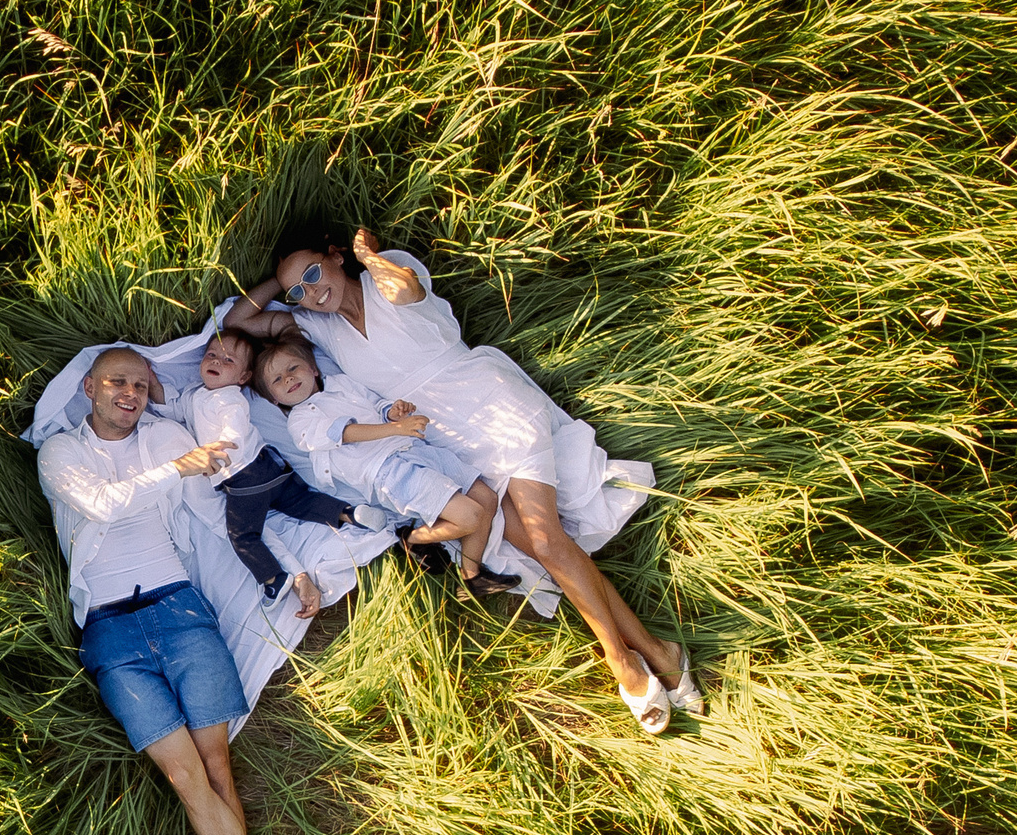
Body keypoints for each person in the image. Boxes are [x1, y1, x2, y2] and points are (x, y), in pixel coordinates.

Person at [227, 224, 701, 733]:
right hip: (446, 439)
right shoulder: (316, 328)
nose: (310, 292)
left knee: (545, 537)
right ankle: (656, 649)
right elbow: (236, 320)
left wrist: (364, 256)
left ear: (338, 256)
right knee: (547, 545)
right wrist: (290, 284)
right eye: (299, 289)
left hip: (492, 402)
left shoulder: (384, 276)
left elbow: (405, 287)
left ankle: (622, 661)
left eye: (315, 273)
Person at [36, 345, 298, 835]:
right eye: (117, 382)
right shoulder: (61, 453)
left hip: (179, 606)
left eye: (140, 382)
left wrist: (287, 568)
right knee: (182, 774)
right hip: (110, 630)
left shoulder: (166, 437)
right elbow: (103, 503)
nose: (129, 392)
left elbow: (216, 509)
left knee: (216, 764)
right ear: (91, 387)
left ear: (152, 390)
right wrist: (178, 467)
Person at [251, 333, 512, 596]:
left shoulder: (341, 384)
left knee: (486, 498)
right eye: (277, 380)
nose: (288, 378)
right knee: (471, 516)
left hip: (415, 449)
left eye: (293, 368)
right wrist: (395, 428)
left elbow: (376, 404)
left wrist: (393, 412)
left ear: (313, 369)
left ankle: (471, 577)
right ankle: (412, 539)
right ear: (273, 399)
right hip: (387, 471)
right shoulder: (300, 422)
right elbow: (346, 432)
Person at [175, 327, 348, 618]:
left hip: (244, 477)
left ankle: (273, 579)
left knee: (243, 535)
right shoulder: (197, 395)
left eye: (228, 361)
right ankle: (347, 513)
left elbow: (235, 429)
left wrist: (220, 454)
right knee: (300, 501)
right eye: (211, 356)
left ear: (243, 378)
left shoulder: (228, 398)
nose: (216, 362)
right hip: (271, 467)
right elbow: (175, 406)